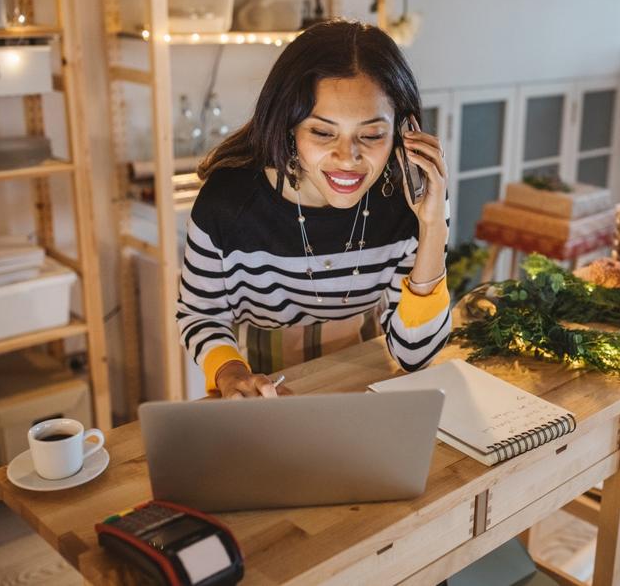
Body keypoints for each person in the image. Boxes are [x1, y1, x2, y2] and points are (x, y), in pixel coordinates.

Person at [177, 20, 451, 399]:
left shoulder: (413, 203)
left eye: (371, 135)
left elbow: (416, 355)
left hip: (369, 387)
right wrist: (230, 372)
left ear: (405, 132)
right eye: (322, 132)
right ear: (289, 125)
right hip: (261, 393)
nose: (347, 158)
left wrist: (434, 226)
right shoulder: (226, 203)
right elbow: (200, 313)